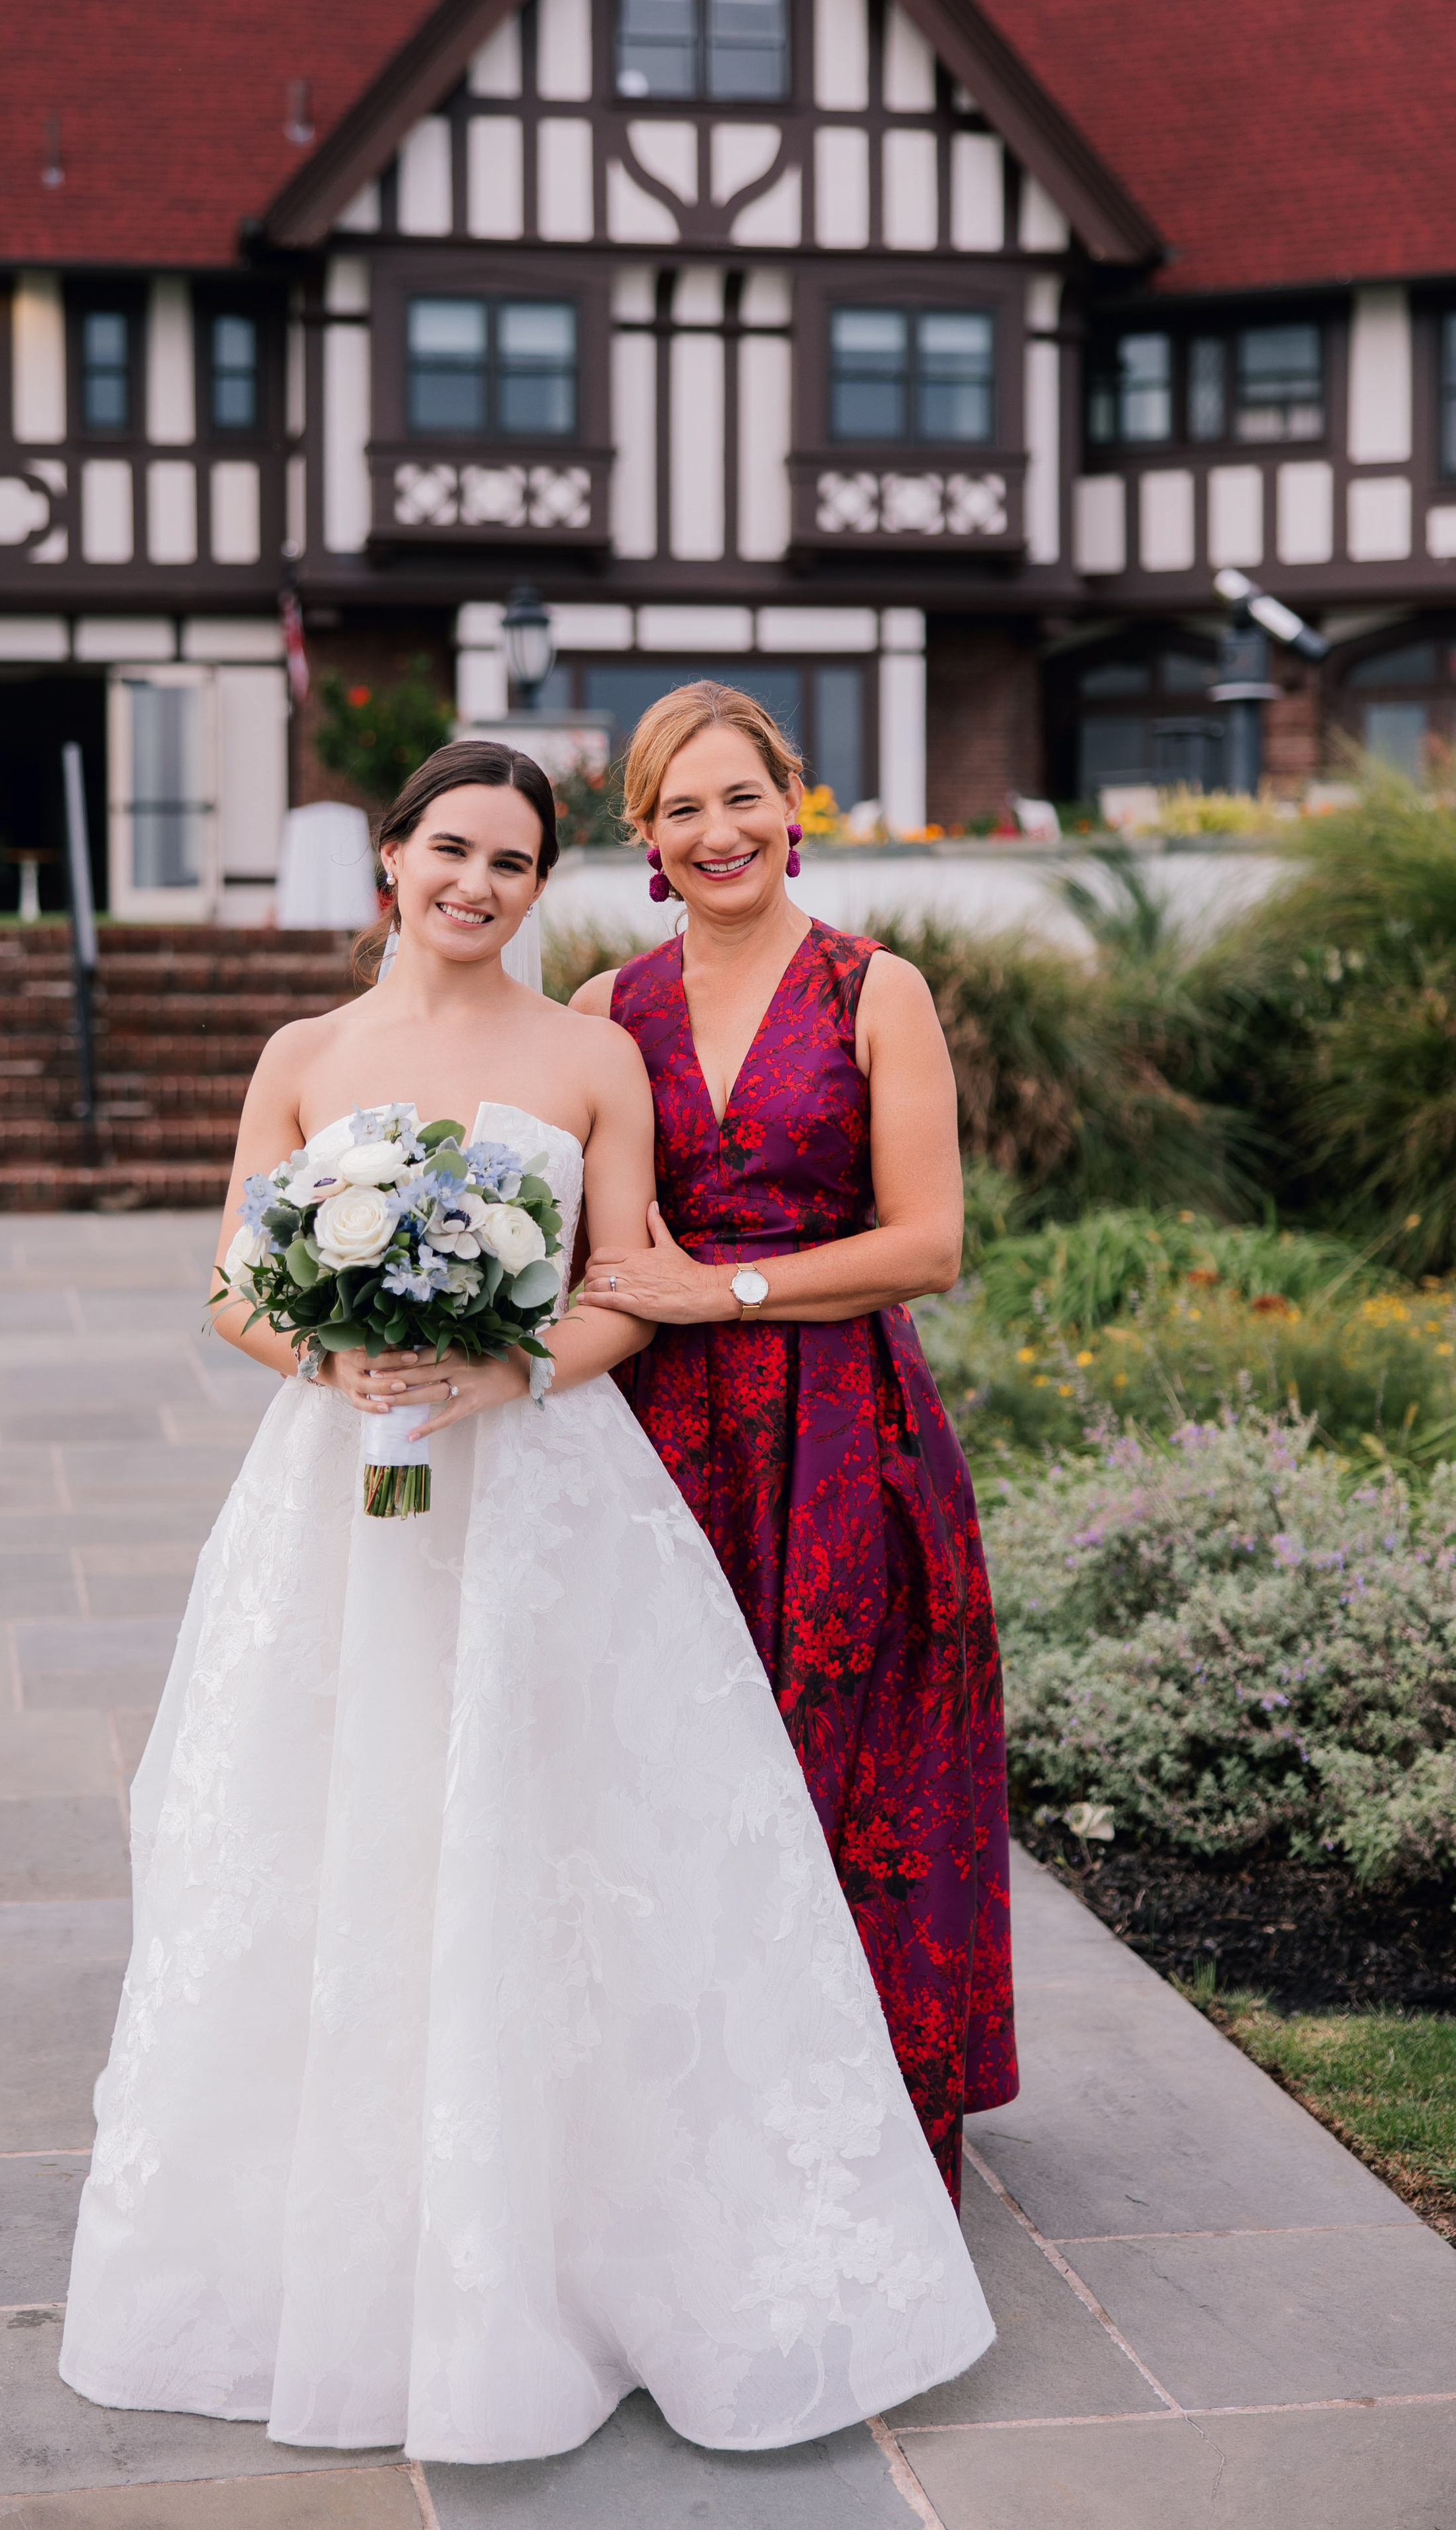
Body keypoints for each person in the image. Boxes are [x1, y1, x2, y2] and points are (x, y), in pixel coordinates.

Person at [58, 739, 994, 2463]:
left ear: (544, 883)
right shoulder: (302, 1055)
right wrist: (333, 1353)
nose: (479, 886)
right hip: (341, 1490)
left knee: (554, 1833)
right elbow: (228, 1286)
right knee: (328, 1820)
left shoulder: (590, 1052)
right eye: (453, 852)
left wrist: (510, 1368)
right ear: (391, 864)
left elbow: (629, 1287)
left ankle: (572, 2224)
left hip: (542, 1481)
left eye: (512, 863)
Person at [572, 686, 1018, 2207]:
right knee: (671, 1762)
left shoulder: (870, 991)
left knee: (852, 1759)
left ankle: (859, 2125)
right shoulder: (601, 1015)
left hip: (842, 1428)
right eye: (680, 810)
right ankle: (690, 2128)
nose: (717, 834)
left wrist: (728, 1286)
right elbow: (585, 1250)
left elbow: (929, 1242)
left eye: (740, 800)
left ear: (793, 804)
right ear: (642, 836)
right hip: (654, 1440)